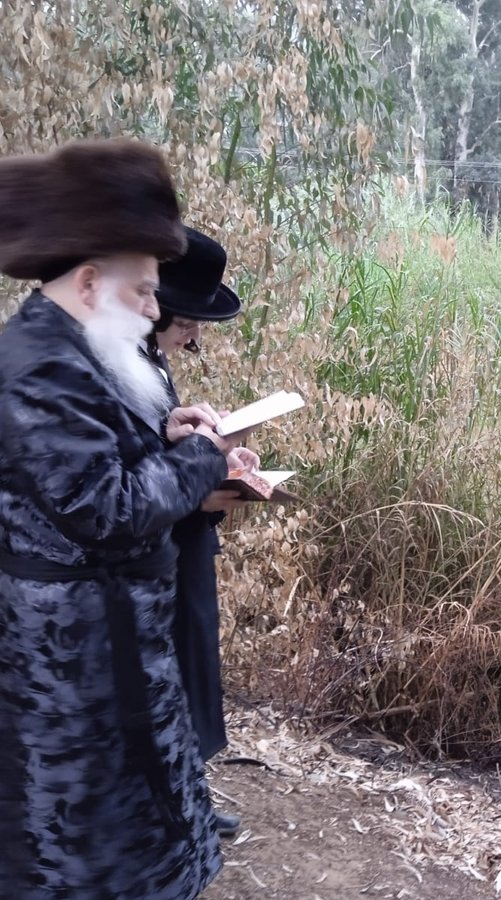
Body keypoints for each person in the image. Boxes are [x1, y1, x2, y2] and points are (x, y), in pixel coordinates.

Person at [0, 139, 244, 898]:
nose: (152, 311)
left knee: (136, 828)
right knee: (75, 846)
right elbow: (102, 508)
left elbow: (99, 461)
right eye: (144, 292)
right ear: (90, 279)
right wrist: (201, 457)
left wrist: (166, 433)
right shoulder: (36, 363)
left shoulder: (77, 350)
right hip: (66, 664)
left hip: (111, 647)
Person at [147, 226, 254, 838]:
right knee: (173, 675)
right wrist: (197, 472)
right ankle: (176, 806)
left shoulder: (149, 361)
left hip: (182, 541)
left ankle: (187, 795)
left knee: (192, 667)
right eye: (186, 320)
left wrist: (209, 460)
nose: (194, 334)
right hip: (157, 545)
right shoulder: (112, 364)